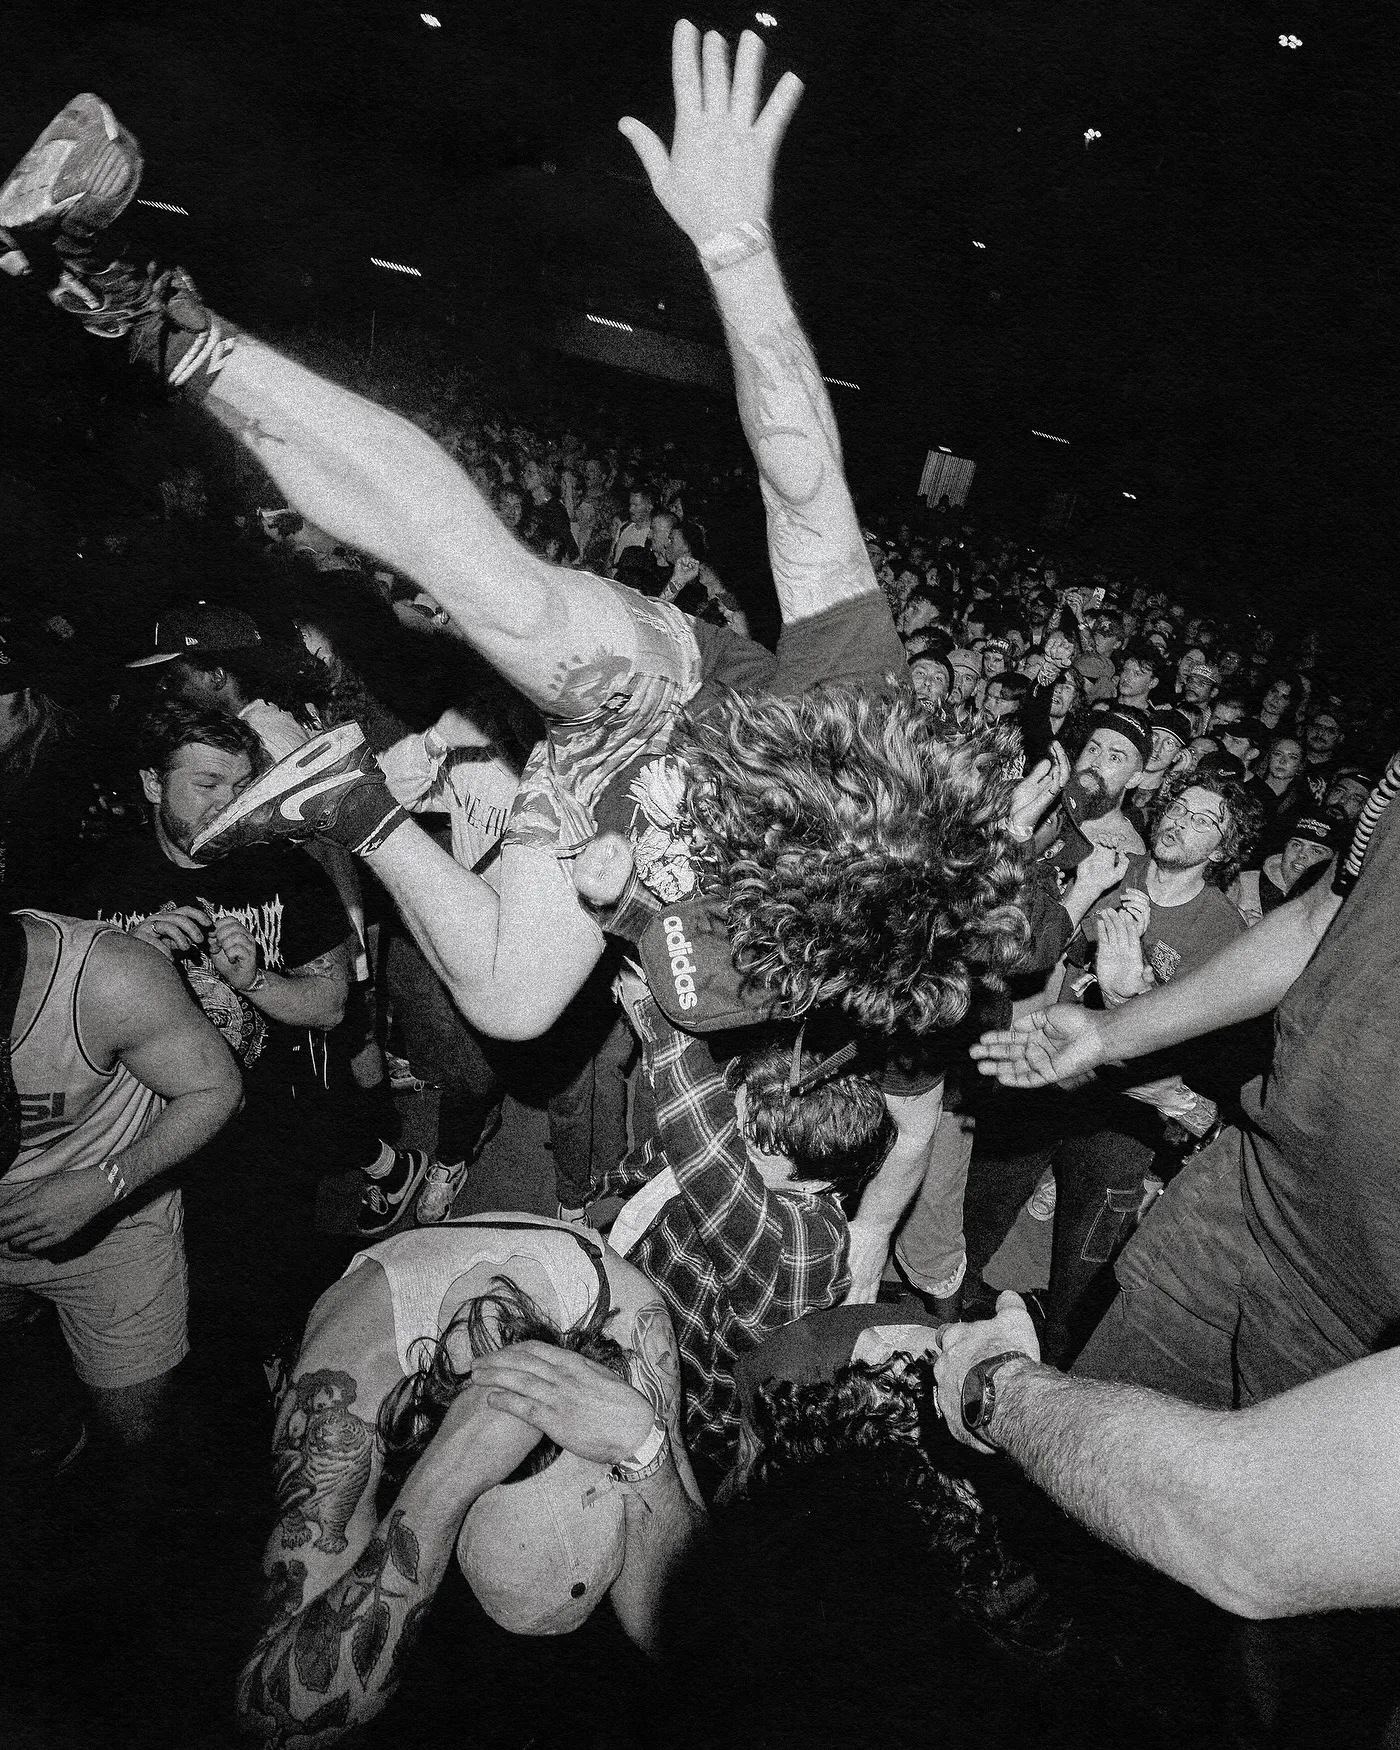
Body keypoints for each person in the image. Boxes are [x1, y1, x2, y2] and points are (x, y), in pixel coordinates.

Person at [968, 751, 1399, 1416]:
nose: (1182, 823)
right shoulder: (1110, 869)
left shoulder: (1222, 926)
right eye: (1179, 807)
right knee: (981, 1220)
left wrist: (1129, 996)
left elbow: (1211, 1057)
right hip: (1048, 1082)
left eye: (1205, 820)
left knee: (1082, 1277)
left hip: (1123, 1123)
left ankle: (1052, 1385)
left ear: (1224, 849)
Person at [236, 1215, 705, 1743]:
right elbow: (268, 1723)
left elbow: (688, 1626)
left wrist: (644, 1449)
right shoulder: (347, 1386)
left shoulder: (632, 1327)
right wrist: (443, 1483)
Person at [932, 1288, 1400, 1619]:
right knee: (1073, 1499)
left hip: (1349, 1332)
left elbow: (1243, 1531)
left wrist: (998, 1388)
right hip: (1224, 1237)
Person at [0, 907, 241, 1447]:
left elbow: (217, 1089)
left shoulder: (106, 976)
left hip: (113, 1239)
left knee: (136, 1438)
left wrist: (105, 1183)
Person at [1230, 809, 1343, 927]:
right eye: (1296, 845)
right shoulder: (1243, 884)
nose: (1301, 854)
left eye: (1316, 851)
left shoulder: (1331, 906)